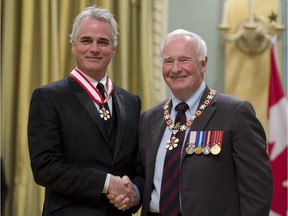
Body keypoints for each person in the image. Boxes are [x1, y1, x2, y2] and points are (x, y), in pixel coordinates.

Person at [138, 29, 273, 216]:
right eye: (168, 61)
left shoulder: (235, 113)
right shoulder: (149, 119)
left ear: (203, 64)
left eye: (184, 60)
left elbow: (257, 189)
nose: (175, 69)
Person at [27, 6, 144, 216]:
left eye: (103, 42)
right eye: (86, 40)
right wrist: (107, 183)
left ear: (114, 49)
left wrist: (133, 193)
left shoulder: (131, 102)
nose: (95, 48)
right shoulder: (49, 98)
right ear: (73, 46)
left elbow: (139, 169)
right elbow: (45, 168)